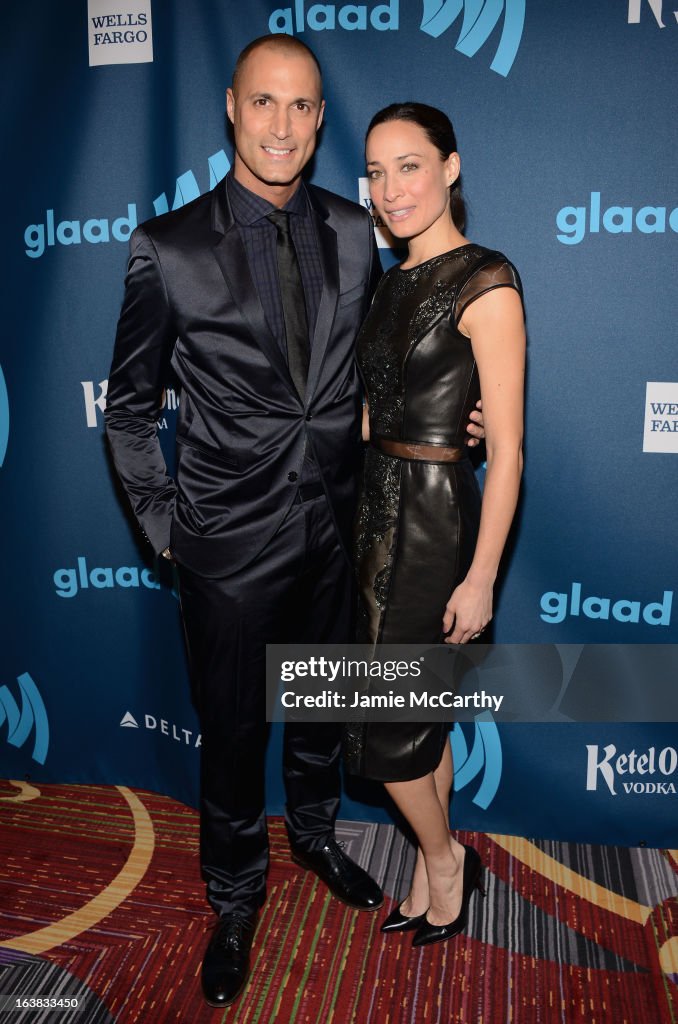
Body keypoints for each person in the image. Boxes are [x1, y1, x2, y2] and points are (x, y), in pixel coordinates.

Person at [105, 37, 485, 1006]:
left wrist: (446, 420)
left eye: (304, 107)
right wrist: (170, 530)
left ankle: (314, 838)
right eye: (265, 103)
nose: (283, 125)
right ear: (232, 106)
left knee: (319, 709)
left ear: (321, 120)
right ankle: (235, 899)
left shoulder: (361, 231)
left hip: (343, 531)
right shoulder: (170, 245)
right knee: (234, 733)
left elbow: (379, 374)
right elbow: (129, 410)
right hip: (226, 546)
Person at [345, 103, 525, 948]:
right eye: (376, 172)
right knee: (418, 713)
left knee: (386, 723)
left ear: (451, 167)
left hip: (431, 519)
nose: (391, 189)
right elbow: (377, 410)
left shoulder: (487, 279)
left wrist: (482, 575)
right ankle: (429, 867)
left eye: (409, 166)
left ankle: (446, 858)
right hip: (372, 506)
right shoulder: (387, 280)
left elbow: (511, 449)